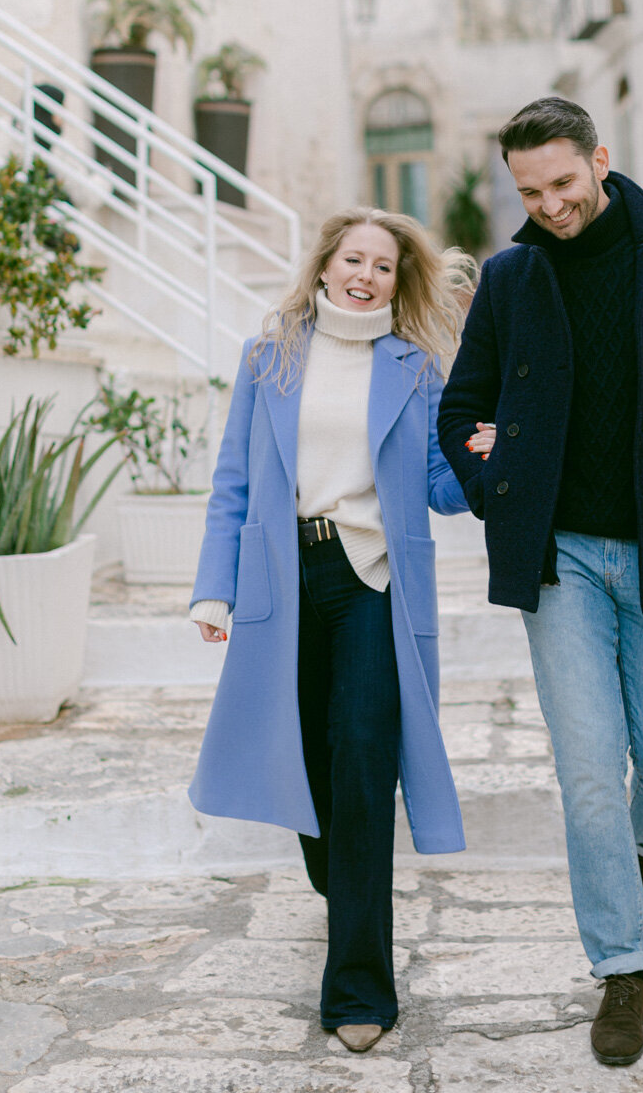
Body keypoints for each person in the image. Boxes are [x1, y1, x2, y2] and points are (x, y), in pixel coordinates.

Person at [437, 97, 643, 1068]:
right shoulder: (508, 278)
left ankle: (642, 852)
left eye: (562, 184)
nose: (547, 205)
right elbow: (462, 404)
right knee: (587, 771)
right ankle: (621, 968)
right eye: (528, 191)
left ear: (599, 160)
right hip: (559, 559)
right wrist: (486, 476)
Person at [189, 207, 490, 1052]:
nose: (366, 275)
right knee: (310, 773)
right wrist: (213, 589)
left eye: (384, 265)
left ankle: (358, 989)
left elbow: (437, 483)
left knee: (363, 764)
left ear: (399, 281)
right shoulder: (270, 357)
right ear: (324, 265)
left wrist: (483, 459)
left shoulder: (415, 367)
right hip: (287, 579)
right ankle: (340, 880)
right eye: (353, 258)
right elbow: (235, 482)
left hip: (371, 583)